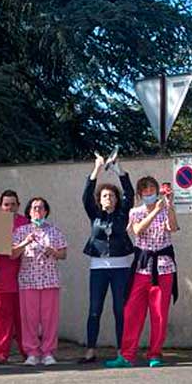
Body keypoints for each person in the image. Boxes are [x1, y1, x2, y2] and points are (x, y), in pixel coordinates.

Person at [105, 175, 179, 369]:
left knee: (159, 313)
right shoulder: (135, 212)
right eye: (145, 191)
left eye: (152, 191)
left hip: (163, 267)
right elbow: (138, 230)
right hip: (141, 267)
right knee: (131, 311)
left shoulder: (165, 209)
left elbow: (173, 227)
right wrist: (154, 212)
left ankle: (155, 353)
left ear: (157, 191)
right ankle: (127, 355)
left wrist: (169, 205)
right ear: (140, 194)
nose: (149, 194)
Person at [80, 151, 135, 363]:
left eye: (111, 196)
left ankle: (122, 350)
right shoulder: (94, 215)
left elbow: (129, 193)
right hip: (98, 268)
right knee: (95, 309)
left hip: (121, 267)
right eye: (104, 196)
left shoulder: (122, 215)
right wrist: (97, 168)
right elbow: (86, 195)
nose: (108, 198)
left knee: (120, 310)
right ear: (100, 200)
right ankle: (91, 349)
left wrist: (118, 170)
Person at [14, 197, 68, 366]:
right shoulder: (21, 231)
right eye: (34, 208)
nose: (38, 211)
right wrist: (25, 242)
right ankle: (32, 352)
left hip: (49, 280)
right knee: (29, 318)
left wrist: (53, 251)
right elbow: (12, 254)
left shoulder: (54, 231)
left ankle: (48, 352)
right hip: (28, 280)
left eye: (41, 208)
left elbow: (63, 254)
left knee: (49, 318)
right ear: (29, 211)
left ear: (46, 211)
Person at [0, 189, 29, 364]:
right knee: (2, 320)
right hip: (0, 280)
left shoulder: (26, 223)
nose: (10, 208)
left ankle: (27, 351)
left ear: (18, 205)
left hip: (23, 279)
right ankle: (1, 353)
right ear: (1, 207)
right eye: (6, 205)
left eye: (13, 204)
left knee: (24, 320)